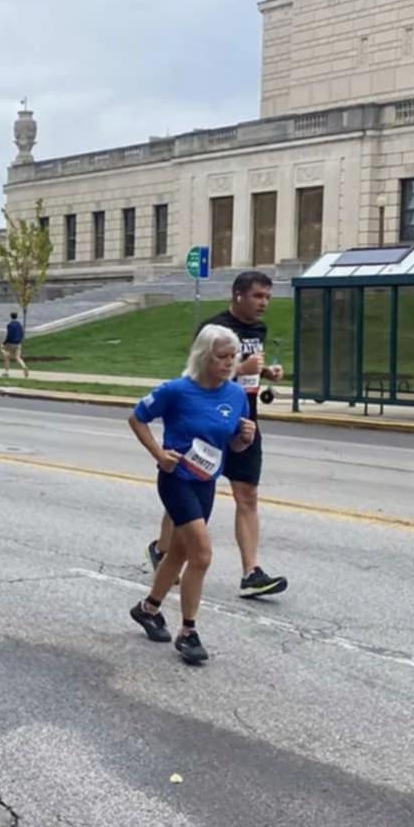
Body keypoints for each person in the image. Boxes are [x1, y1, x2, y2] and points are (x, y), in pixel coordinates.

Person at [148, 271, 287, 599]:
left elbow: (247, 367)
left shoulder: (258, 329)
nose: (264, 303)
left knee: (247, 495)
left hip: (244, 421)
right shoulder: (213, 329)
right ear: (238, 295)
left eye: (267, 297)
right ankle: (163, 548)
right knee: (188, 490)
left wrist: (265, 372)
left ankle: (251, 572)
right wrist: (242, 369)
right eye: (257, 296)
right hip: (207, 422)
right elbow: (195, 372)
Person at [128, 326, 254, 665]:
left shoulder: (235, 395)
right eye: (221, 356)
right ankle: (188, 632)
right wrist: (159, 453)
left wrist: (244, 438)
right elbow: (137, 418)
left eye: (233, 356)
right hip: (176, 478)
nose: (229, 363)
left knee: (180, 552)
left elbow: (231, 443)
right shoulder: (177, 390)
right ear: (203, 356)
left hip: (206, 481)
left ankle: (148, 609)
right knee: (202, 555)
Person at [1, 310, 29, 378]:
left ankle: (6, 372)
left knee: (6, 356)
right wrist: (20, 340)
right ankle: (24, 366)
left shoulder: (9, 325)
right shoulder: (19, 324)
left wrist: (4, 343)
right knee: (18, 357)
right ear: (16, 317)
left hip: (11, 343)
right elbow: (22, 333)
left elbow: (9, 335)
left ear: (11, 317)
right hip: (18, 343)